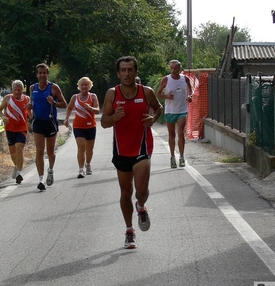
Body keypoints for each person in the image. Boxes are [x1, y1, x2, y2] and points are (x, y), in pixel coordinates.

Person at [101, 56, 163, 249]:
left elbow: (158, 108)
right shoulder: (113, 94)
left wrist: (152, 118)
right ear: (118, 73)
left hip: (142, 148)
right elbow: (103, 122)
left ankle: (141, 206)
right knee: (125, 192)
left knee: (142, 190)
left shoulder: (147, 92)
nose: (127, 74)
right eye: (123, 70)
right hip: (121, 150)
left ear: (136, 72)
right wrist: (114, 117)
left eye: (130, 70)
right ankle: (129, 231)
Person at [30, 63, 68, 191]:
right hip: (38, 122)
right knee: (39, 149)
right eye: (40, 73)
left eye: (44, 73)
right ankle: (41, 179)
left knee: (50, 152)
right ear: (37, 75)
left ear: (47, 74)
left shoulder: (53, 88)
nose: (42, 75)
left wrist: (54, 103)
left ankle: (50, 170)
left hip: (50, 122)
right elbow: (32, 103)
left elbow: (64, 104)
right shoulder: (32, 88)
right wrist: (29, 107)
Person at [156, 59, 193, 168]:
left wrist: (189, 96)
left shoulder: (184, 79)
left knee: (180, 132)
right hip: (170, 111)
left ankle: (181, 157)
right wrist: (167, 96)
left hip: (182, 110)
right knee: (172, 135)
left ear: (179, 69)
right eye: (171, 68)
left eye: (175, 68)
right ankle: (172, 157)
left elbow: (190, 89)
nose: (173, 70)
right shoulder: (166, 79)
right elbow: (158, 94)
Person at [0, 80, 32, 184]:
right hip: (9, 129)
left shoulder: (27, 99)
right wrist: (3, 116)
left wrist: (30, 112)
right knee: (13, 152)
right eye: (15, 90)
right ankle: (16, 167)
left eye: (19, 90)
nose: (17, 92)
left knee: (19, 149)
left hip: (22, 129)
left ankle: (19, 173)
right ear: (12, 90)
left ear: (22, 90)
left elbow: (30, 114)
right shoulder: (8, 98)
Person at [64, 77, 100, 178]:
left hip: (91, 126)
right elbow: (69, 107)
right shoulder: (75, 97)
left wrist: (90, 108)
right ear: (79, 86)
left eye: (86, 84)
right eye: (82, 85)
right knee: (81, 147)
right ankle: (80, 169)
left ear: (90, 86)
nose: (84, 86)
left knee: (89, 148)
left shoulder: (93, 97)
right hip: (78, 126)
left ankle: (88, 164)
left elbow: (97, 110)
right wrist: (66, 118)